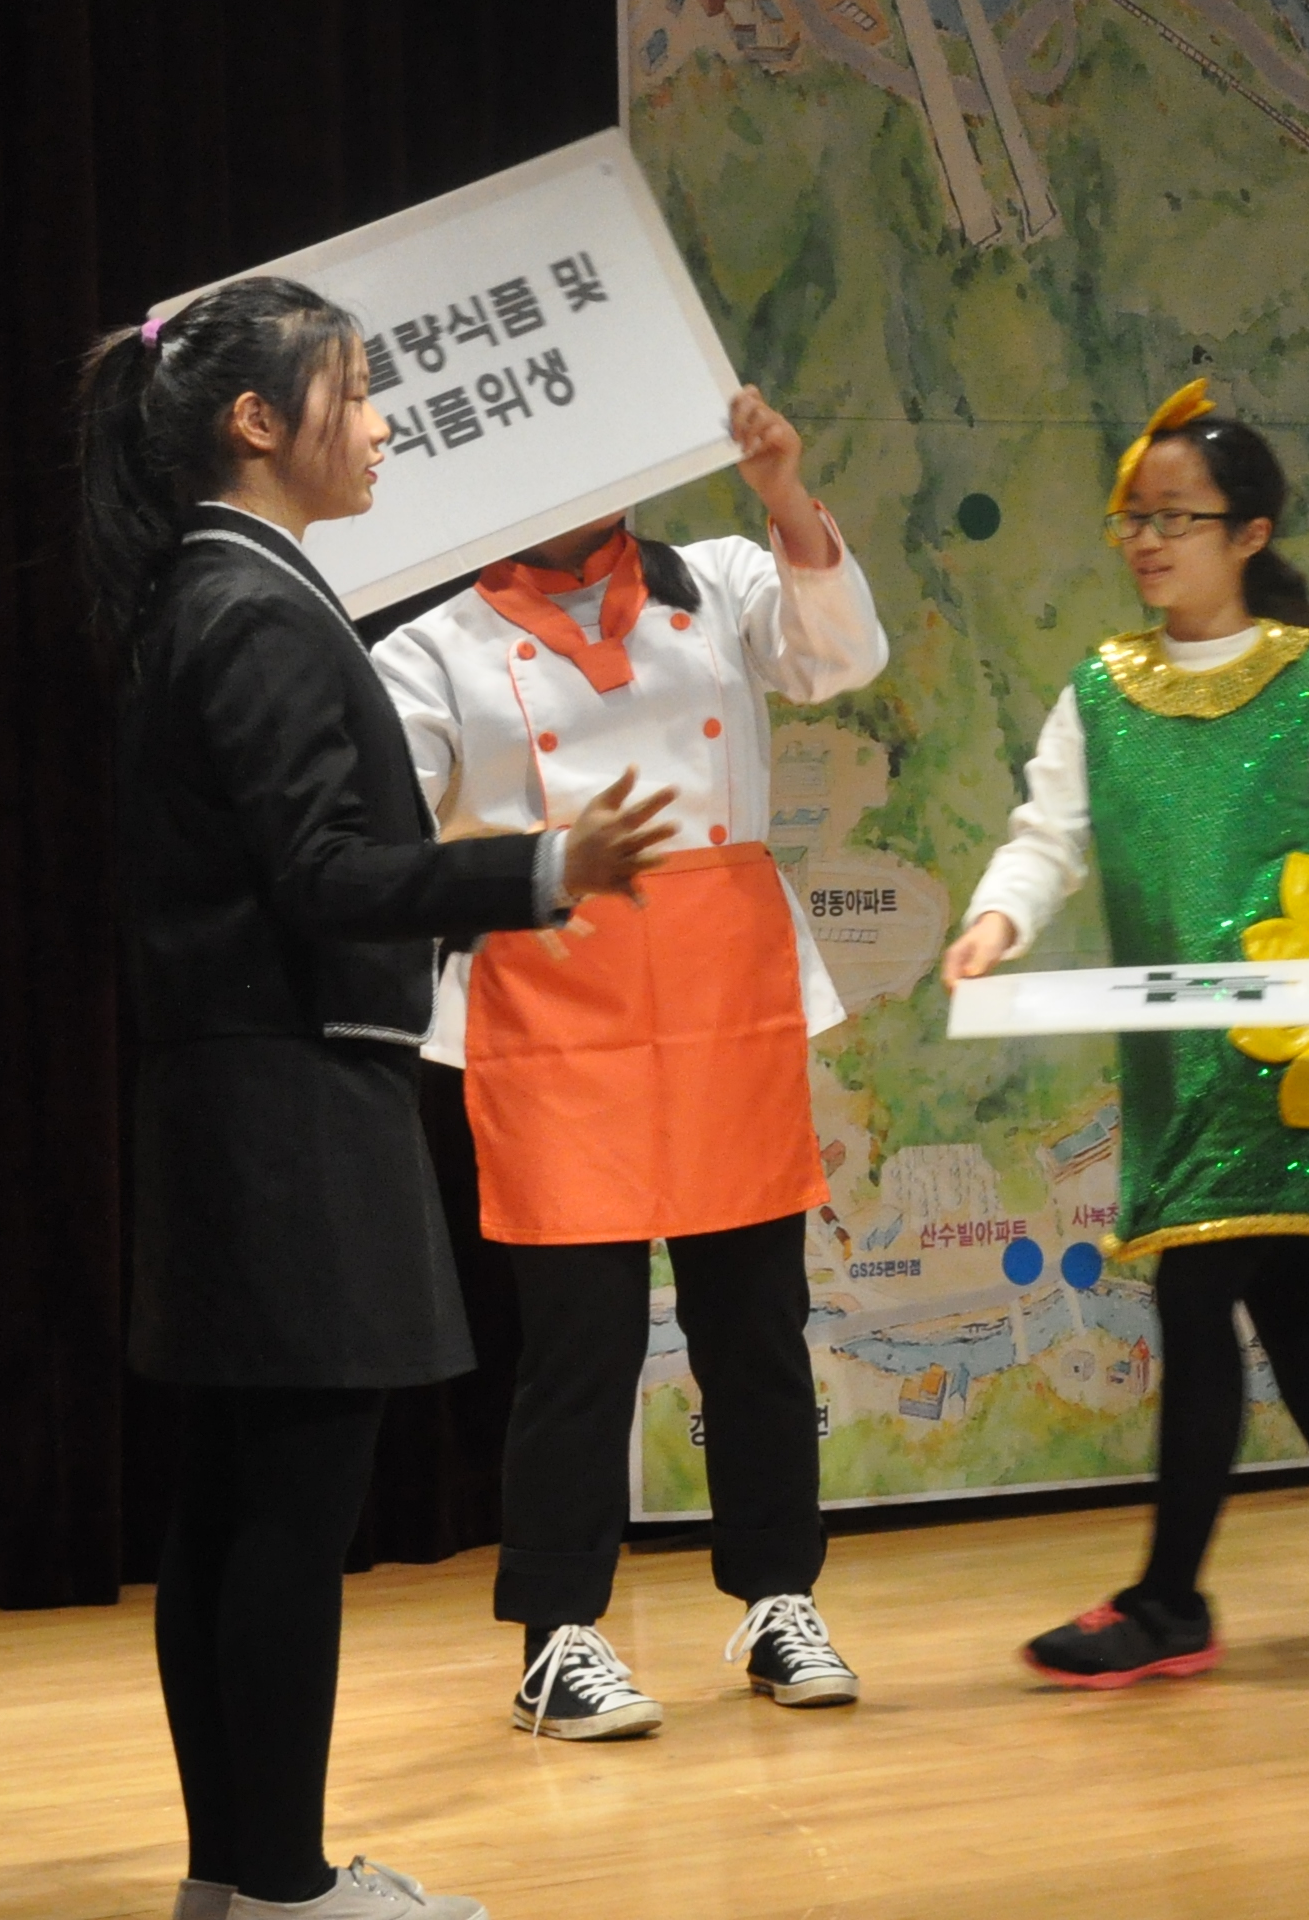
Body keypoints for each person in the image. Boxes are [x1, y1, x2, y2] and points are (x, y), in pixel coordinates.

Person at [85, 277, 676, 1920]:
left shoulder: (214, 587)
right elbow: (326, 869)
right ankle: (282, 1883)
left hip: (242, 1097)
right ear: (255, 421)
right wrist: (541, 868)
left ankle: (235, 1876)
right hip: (284, 1109)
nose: (380, 423)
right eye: (350, 393)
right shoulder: (254, 604)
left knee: (235, 1501)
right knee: (283, 1508)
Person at [372, 388, 882, 1740]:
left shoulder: (720, 578)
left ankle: (778, 1598)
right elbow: (378, 819)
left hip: (723, 990)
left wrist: (783, 491)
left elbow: (838, 656)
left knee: (755, 1322)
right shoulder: (434, 647)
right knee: (580, 1339)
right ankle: (559, 1634)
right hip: (551, 1002)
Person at [942, 384, 1309, 1679]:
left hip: (1287, 1059)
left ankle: (1170, 1598)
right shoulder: (1100, 689)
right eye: (1135, 517)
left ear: (1249, 533)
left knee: (1196, 1295)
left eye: (1176, 517)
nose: (1148, 540)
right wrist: (995, 922)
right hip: (1176, 1060)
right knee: (1290, 1314)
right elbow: (1047, 836)